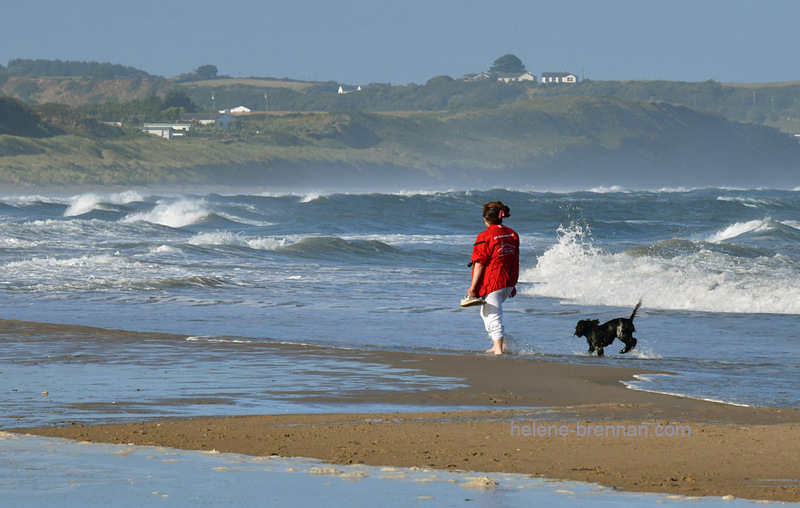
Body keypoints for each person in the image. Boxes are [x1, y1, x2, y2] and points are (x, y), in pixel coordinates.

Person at [467, 201, 520, 354]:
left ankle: (499, 350)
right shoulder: (512, 234)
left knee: (492, 315)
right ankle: (499, 345)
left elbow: (480, 264)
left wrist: (473, 287)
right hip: (508, 282)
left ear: (485, 219)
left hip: (494, 283)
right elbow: (511, 259)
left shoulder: (485, 236)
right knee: (486, 312)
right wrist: (512, 284)